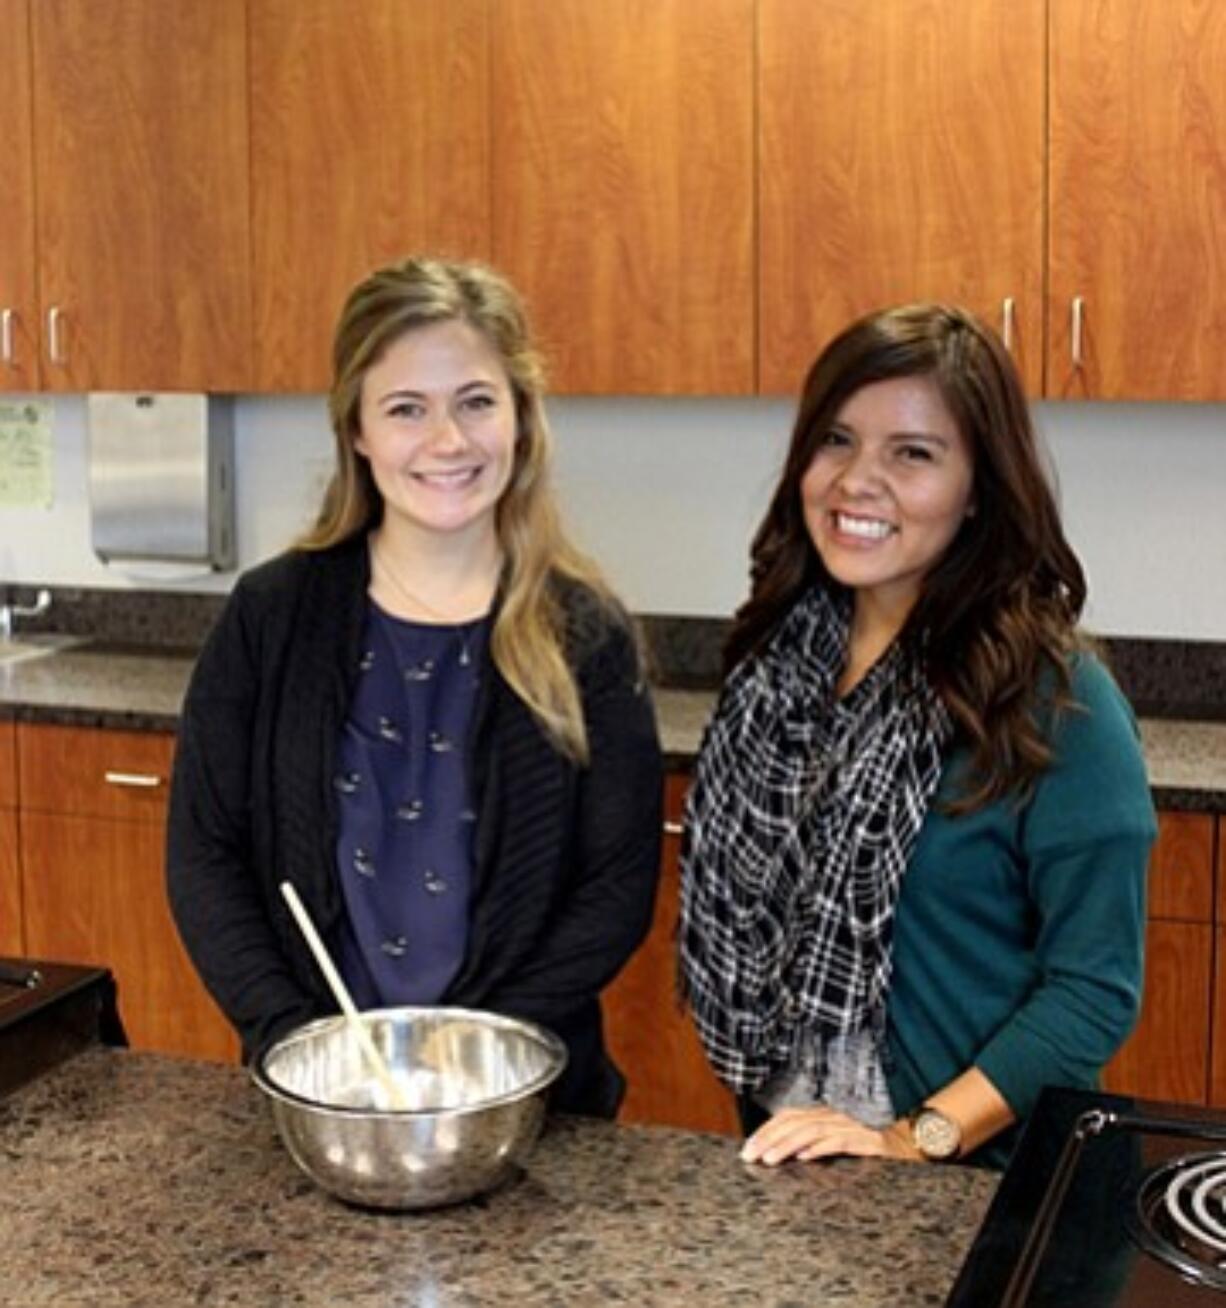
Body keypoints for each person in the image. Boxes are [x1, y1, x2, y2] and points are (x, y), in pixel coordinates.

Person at [167, 255, 662, 1118]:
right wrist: (300, 1047)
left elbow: (616, 887)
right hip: (318, 1107)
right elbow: (206, 856)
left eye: (476, 401)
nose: (448, 441)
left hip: (535, 1116)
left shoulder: (585, 634)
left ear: (521, 417)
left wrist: (480, 1068)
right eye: (406, 409)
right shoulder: (270, 616)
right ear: (356, 429)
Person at [679, 303, 1156, 1168]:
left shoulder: (1054, 703)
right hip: (791, 1160)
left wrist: (913, 1138)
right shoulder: (778, 664)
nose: (859, 480)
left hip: (965, 1184)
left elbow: (1091, 992)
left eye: (914, 454)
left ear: (980, 489)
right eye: (836, 440)